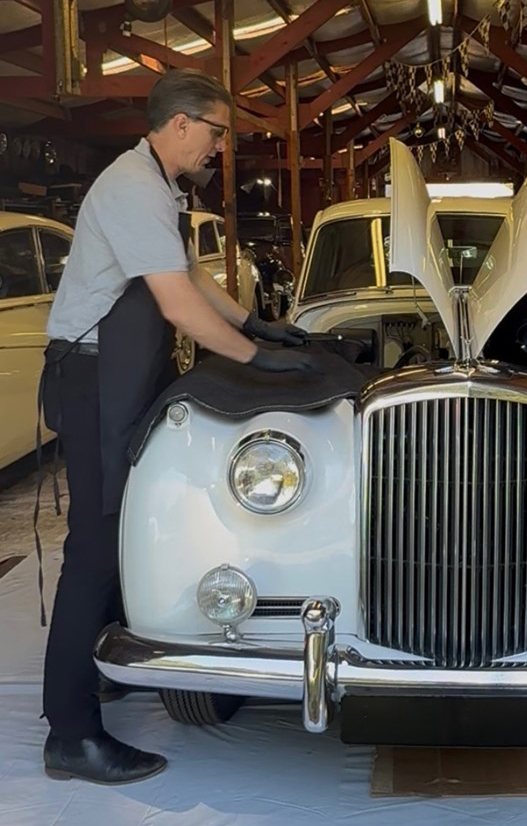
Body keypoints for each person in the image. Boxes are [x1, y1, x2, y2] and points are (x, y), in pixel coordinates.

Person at [40, 69, 317, 786]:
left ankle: (105, 671)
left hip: (121, 375)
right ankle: (70, 731)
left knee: (128, 525)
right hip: (94, 378)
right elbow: (175, 305)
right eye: (218, 133)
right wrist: (256, 358)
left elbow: (192, 277)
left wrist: (256, 322)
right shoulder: (134, 186)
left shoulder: (159, 187)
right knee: (95, 550)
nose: (221, 148)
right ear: (182, 123)